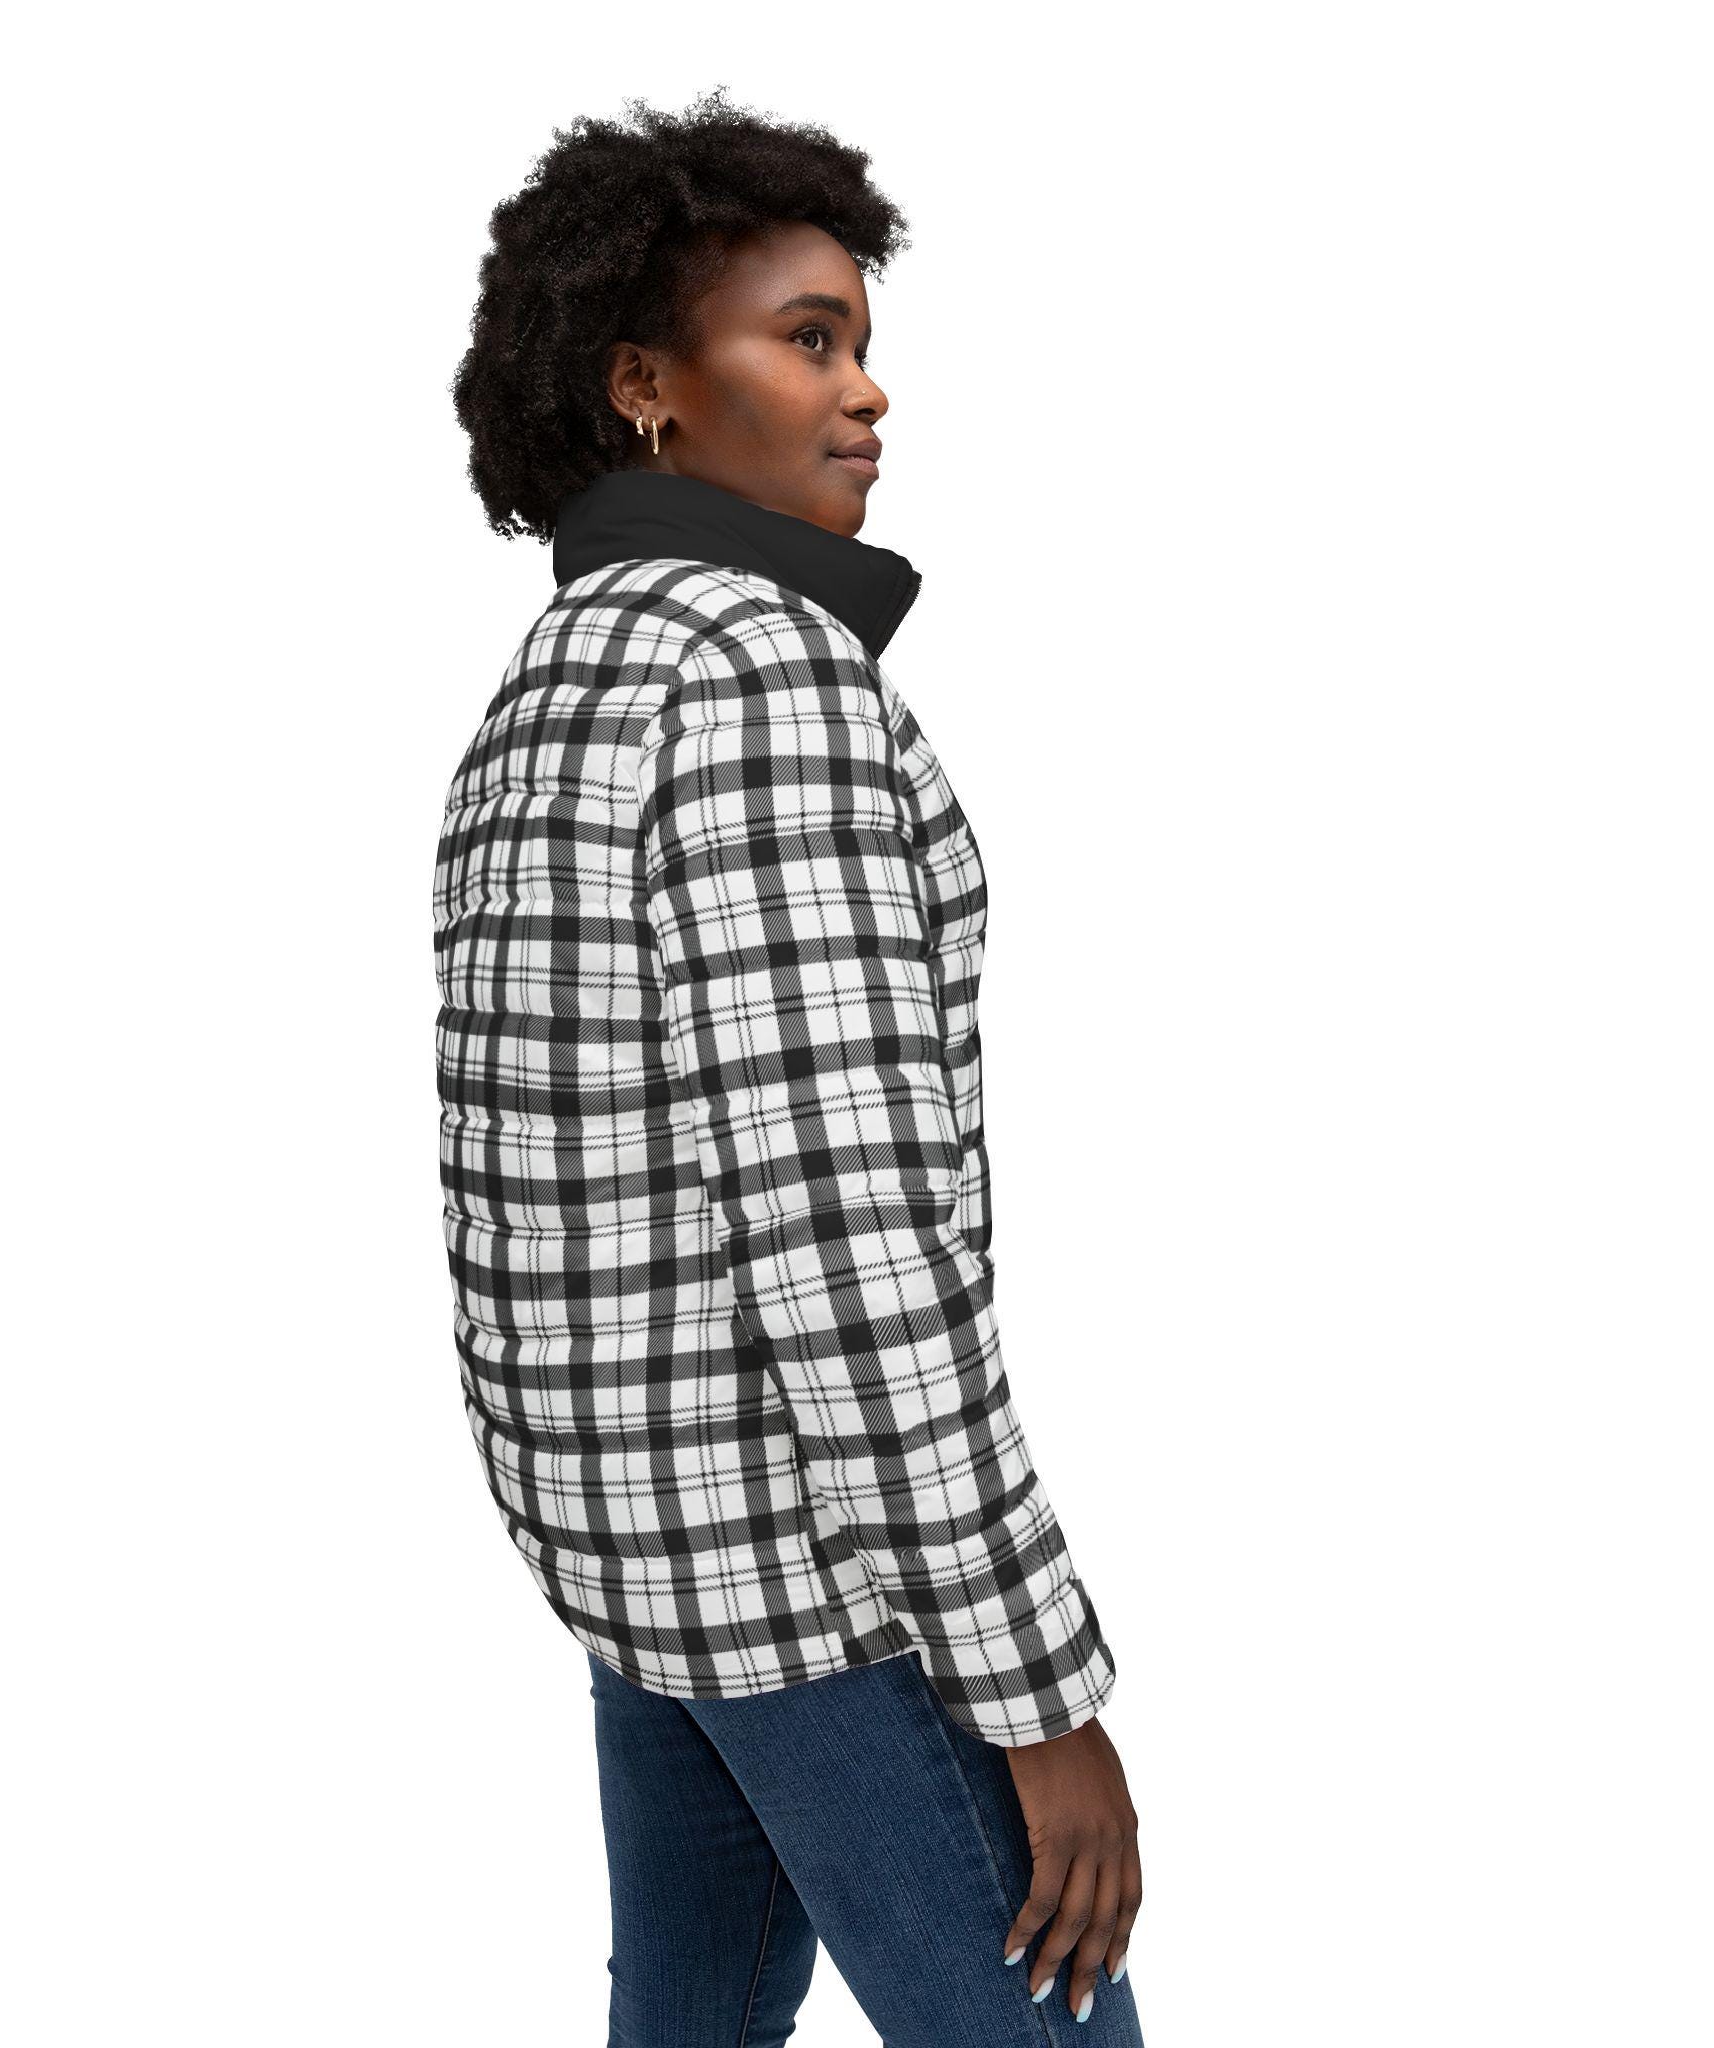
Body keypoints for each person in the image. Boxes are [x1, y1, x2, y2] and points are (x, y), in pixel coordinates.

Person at [439, 88, 1146, 2046]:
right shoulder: (759, 682)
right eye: (808, 338)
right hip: (814, 1583)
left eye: (861, 340)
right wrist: (1040, 1695)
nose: (866, 392)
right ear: (646, 389)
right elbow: (847, 1243)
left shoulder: (559, 681)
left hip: (630, 1551)